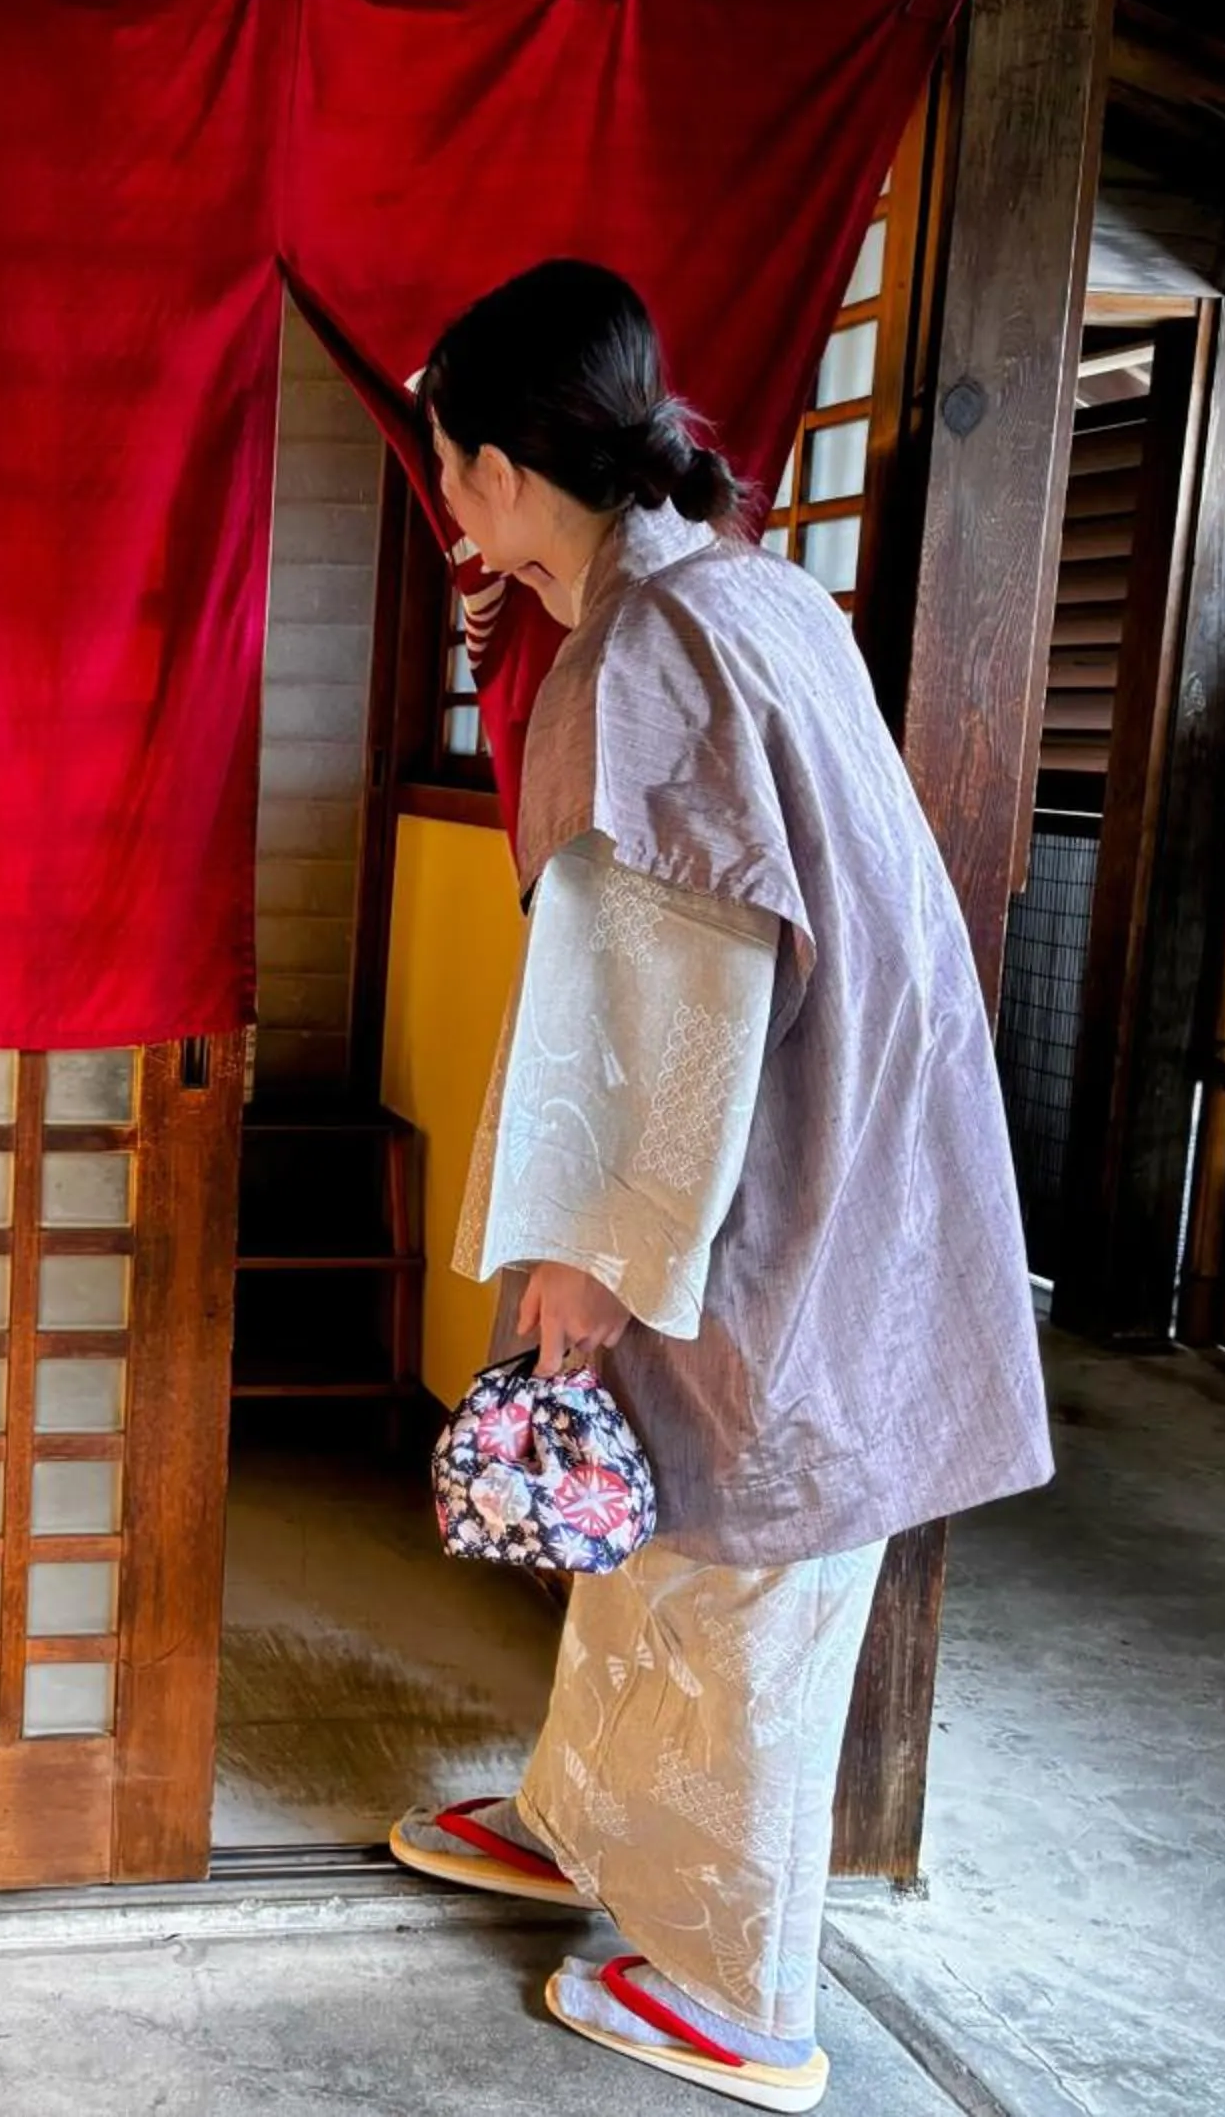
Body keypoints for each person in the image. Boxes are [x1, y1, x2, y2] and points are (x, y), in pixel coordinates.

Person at [385, 260, 1053, 2113]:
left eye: (454, 469)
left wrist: (600, 1248)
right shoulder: (756, 594)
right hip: (836, 1125)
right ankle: (576, 1820)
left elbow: (677, 979)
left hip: (775, 1152)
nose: (449, 506)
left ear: (512, 470)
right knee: (647, 1522)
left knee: (749, 1555)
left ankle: (742, 1992)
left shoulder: (652, 652)